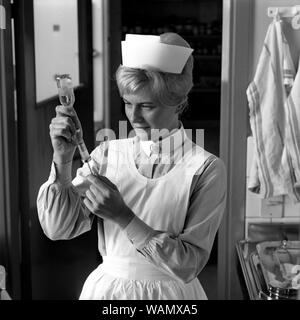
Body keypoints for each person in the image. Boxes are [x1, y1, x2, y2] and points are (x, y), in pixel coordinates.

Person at [37, 32, 227, 300]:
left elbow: (188, 265)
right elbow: (58, 229)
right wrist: (63, 159)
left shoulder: (205, 169)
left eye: (147, 106)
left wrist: (124, 217)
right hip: (108, 294)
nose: (134, 117)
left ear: (178, 103)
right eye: (128, 103)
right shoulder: (106, 155)